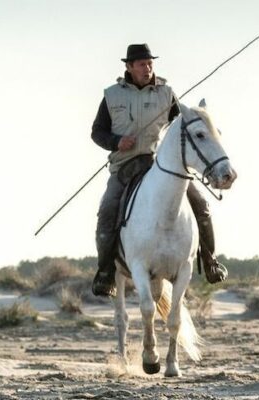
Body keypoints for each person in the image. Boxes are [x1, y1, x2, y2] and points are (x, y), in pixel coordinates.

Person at [89, 43, 228, 297]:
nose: (147, 67)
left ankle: (210, 261)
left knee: (201, 205)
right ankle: (106, 272)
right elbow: (97, 132)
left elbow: (183, 126)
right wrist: (116, 142)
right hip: (125, 166)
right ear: (129, 67)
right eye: (141, 64)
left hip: (159, 164)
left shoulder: (167, 94)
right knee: (107, 210)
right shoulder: (112, 96)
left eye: (150, 63)